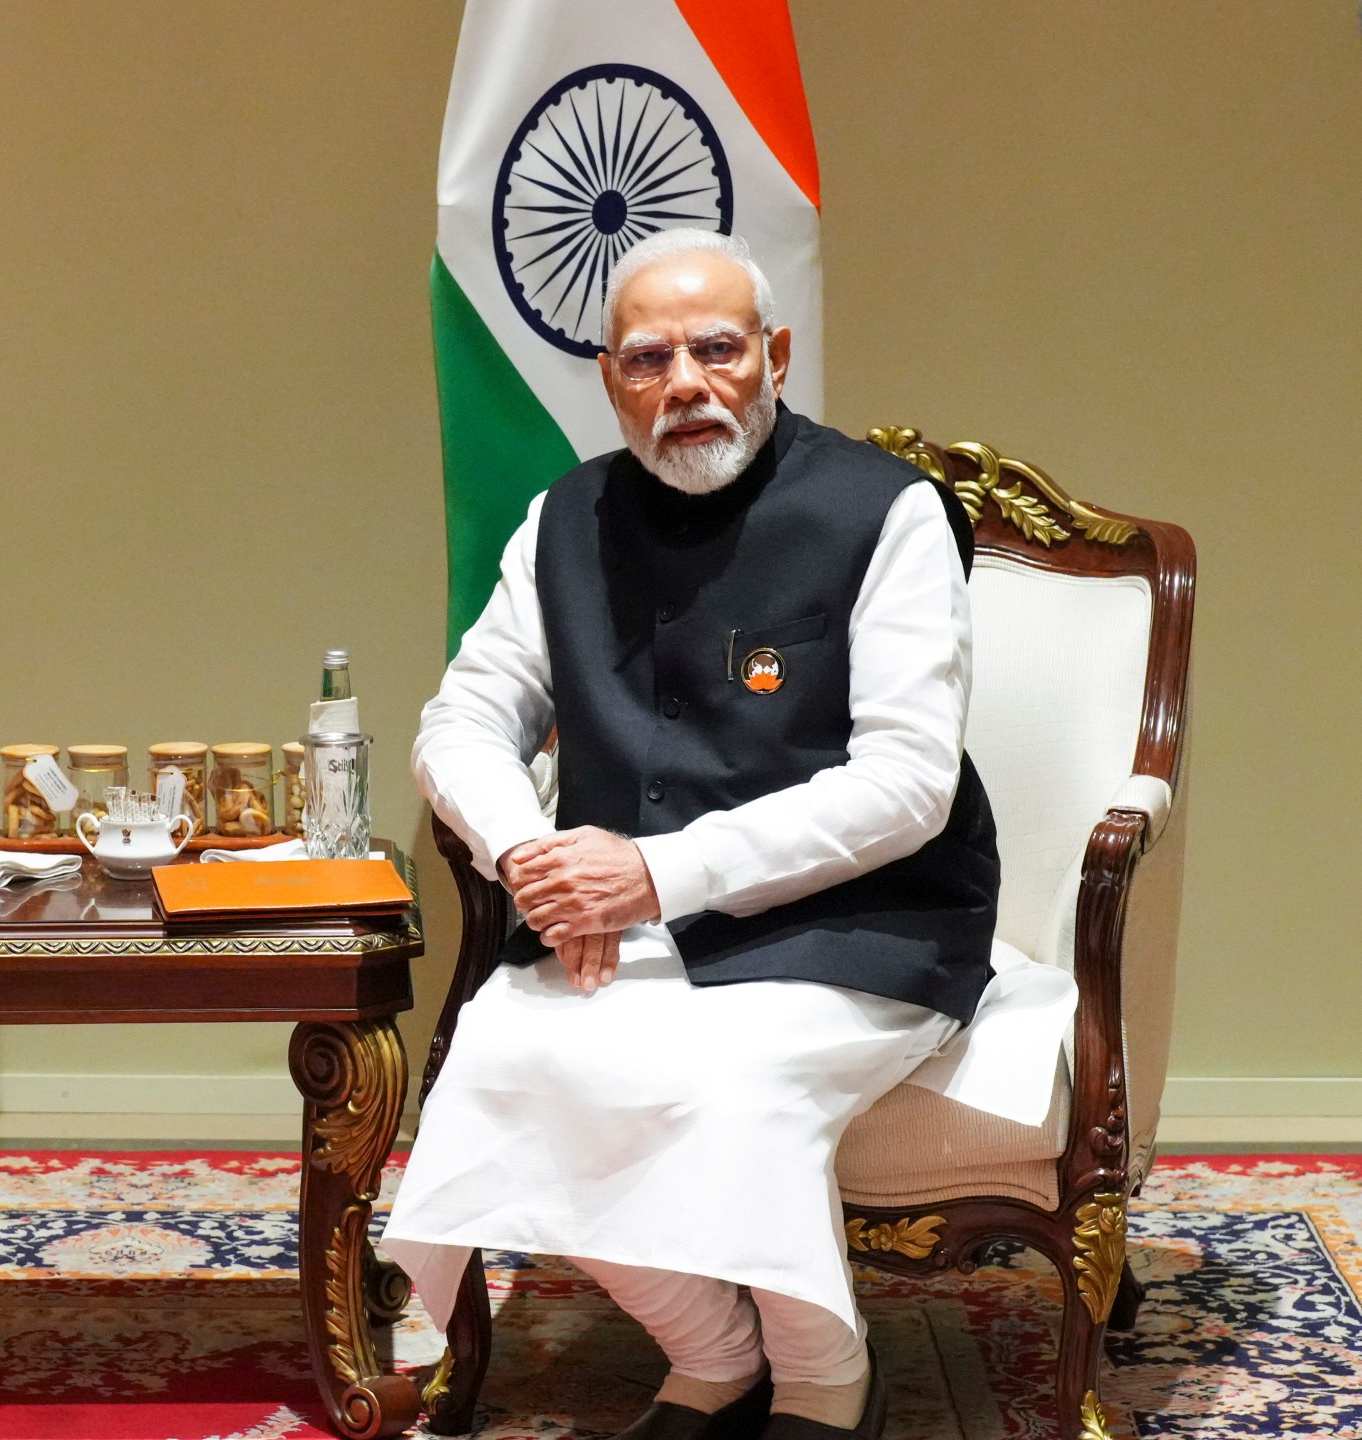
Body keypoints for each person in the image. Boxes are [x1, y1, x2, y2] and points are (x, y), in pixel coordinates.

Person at [383, 229, 1040, 1440]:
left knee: (727, 1087)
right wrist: (529, 856)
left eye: (716, 349)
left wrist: (649, 875)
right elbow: (462, 718)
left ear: (774, 356)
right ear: (609, 378)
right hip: (619, 917)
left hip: (866, 922)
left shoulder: (882, 512)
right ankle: (712, 1351)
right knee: (505, 1061)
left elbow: (906, 784)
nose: (684, 382)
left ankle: (826, 1383)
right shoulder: (564, 518)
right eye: (647, 359)